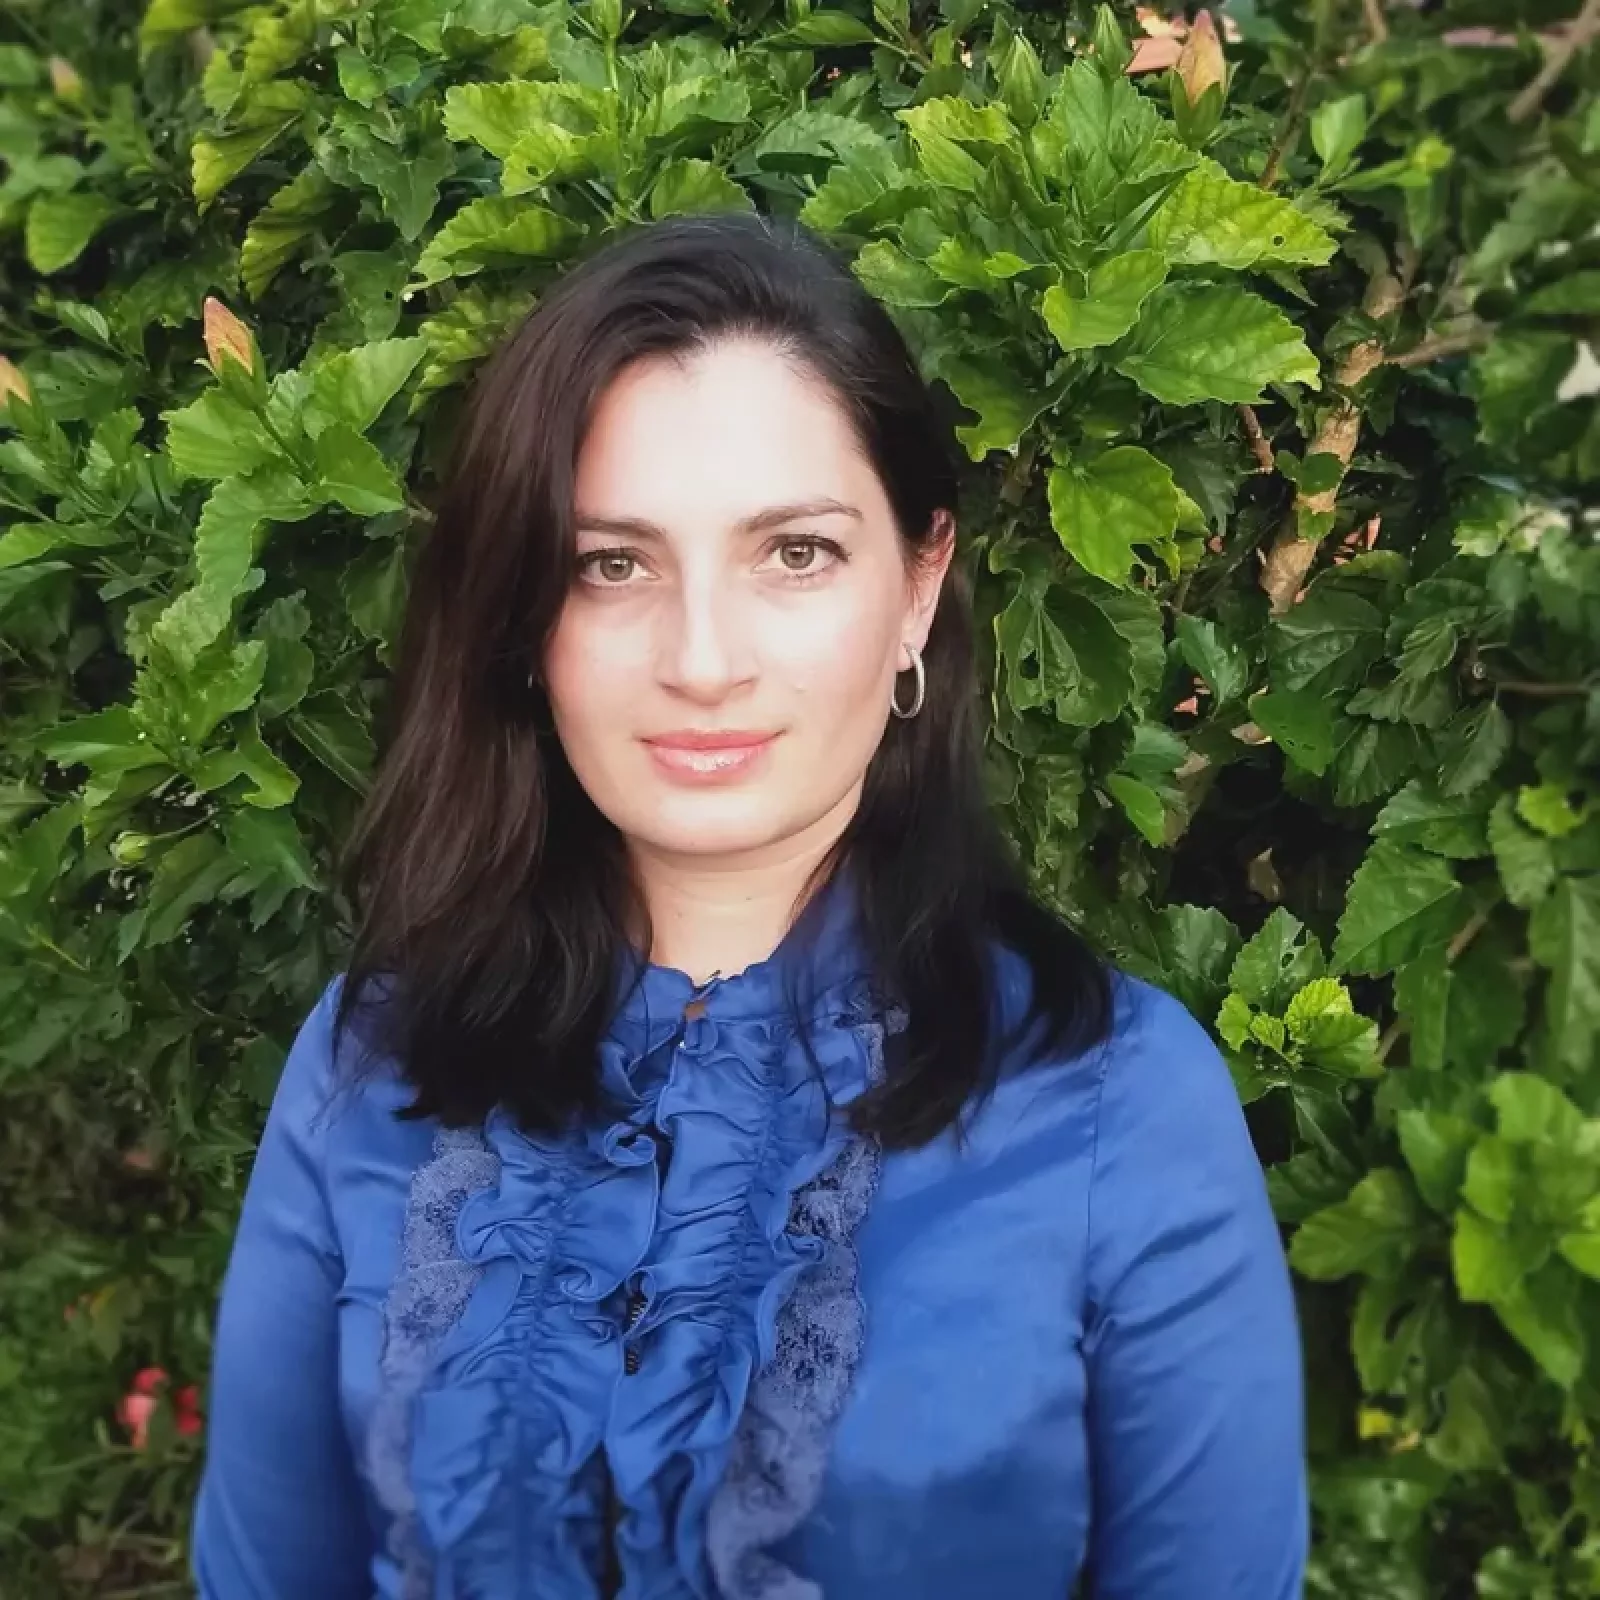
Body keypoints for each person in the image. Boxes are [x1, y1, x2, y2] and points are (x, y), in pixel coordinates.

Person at [191, 211, 1308, 1599]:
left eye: (795, 554)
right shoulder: (372, 1056)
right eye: (612, 564)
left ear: (918, 589)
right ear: (527, 619)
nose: (703, 660)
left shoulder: (1120, 1102)